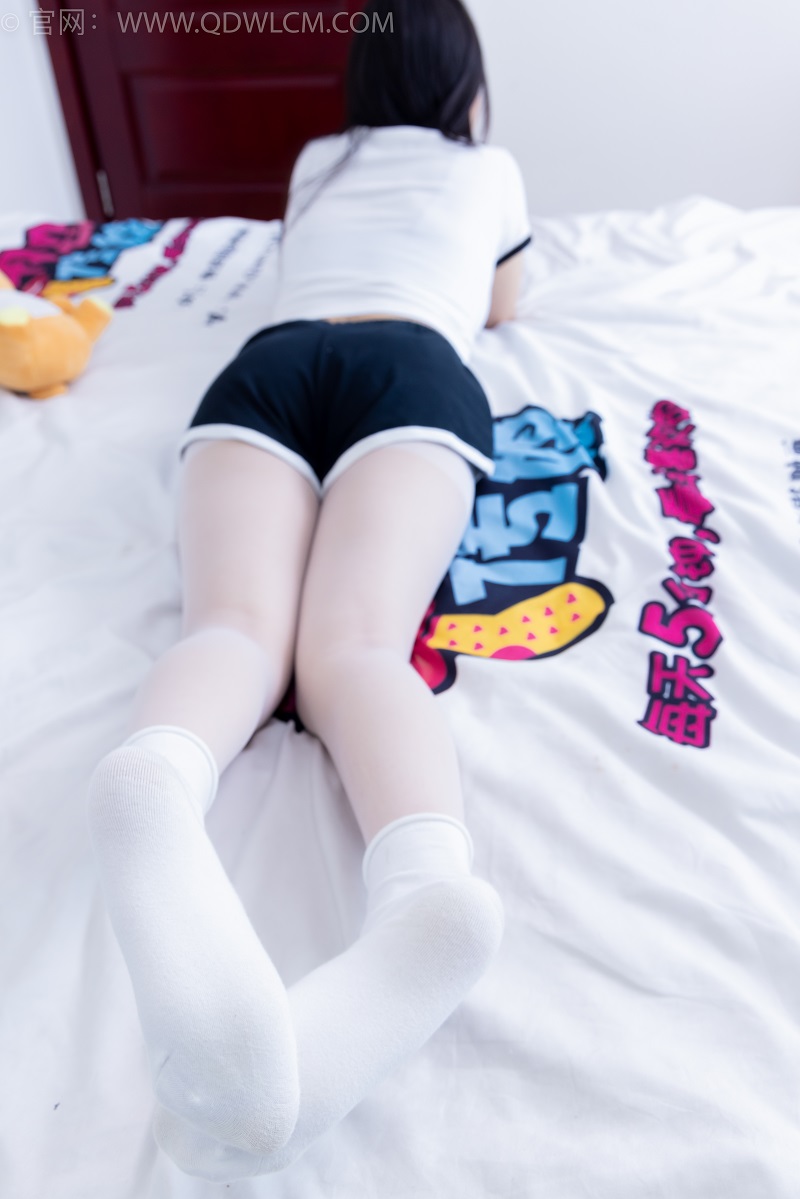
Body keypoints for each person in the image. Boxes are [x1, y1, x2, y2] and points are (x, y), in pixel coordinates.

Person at [86, 0, 532, 1181]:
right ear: (466, 86)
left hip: (272, 366)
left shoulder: (315, 161)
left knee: (234, 627)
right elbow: (507, 305)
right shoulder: (486, 168)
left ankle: (156, 774)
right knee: (353, 649)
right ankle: (422, 886)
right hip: (410, 362)